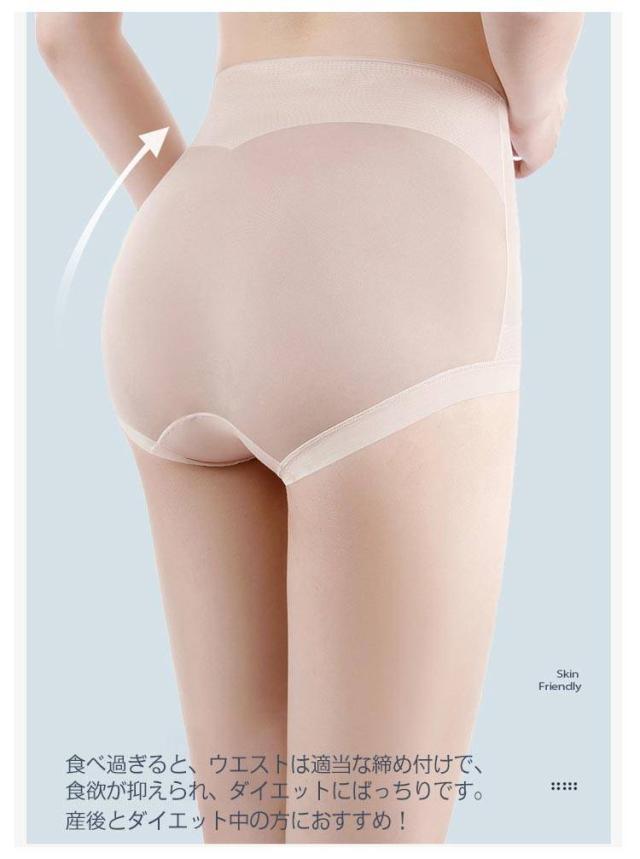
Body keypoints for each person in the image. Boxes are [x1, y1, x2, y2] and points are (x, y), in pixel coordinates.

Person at [37, 11, 584, 844]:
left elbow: (67, 34)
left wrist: (193, 212)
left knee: (244, 824)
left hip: (186, 239)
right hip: (398, 226)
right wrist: (539, 107)